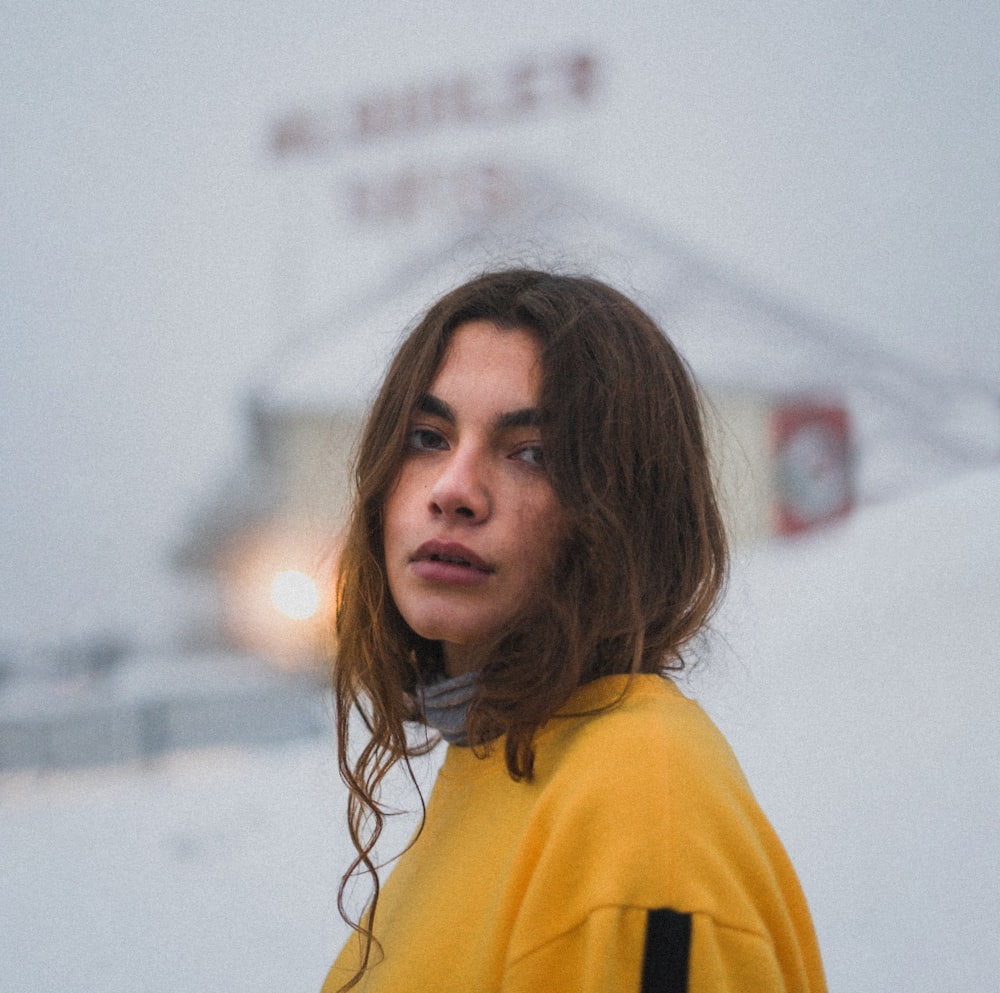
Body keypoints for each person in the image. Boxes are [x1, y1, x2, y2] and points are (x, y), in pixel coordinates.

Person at [321, 269, 826, 992]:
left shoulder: (634, 810)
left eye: (530, 453)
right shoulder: (497, 762)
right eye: (428, 437)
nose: (454, 490)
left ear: (630, 510)